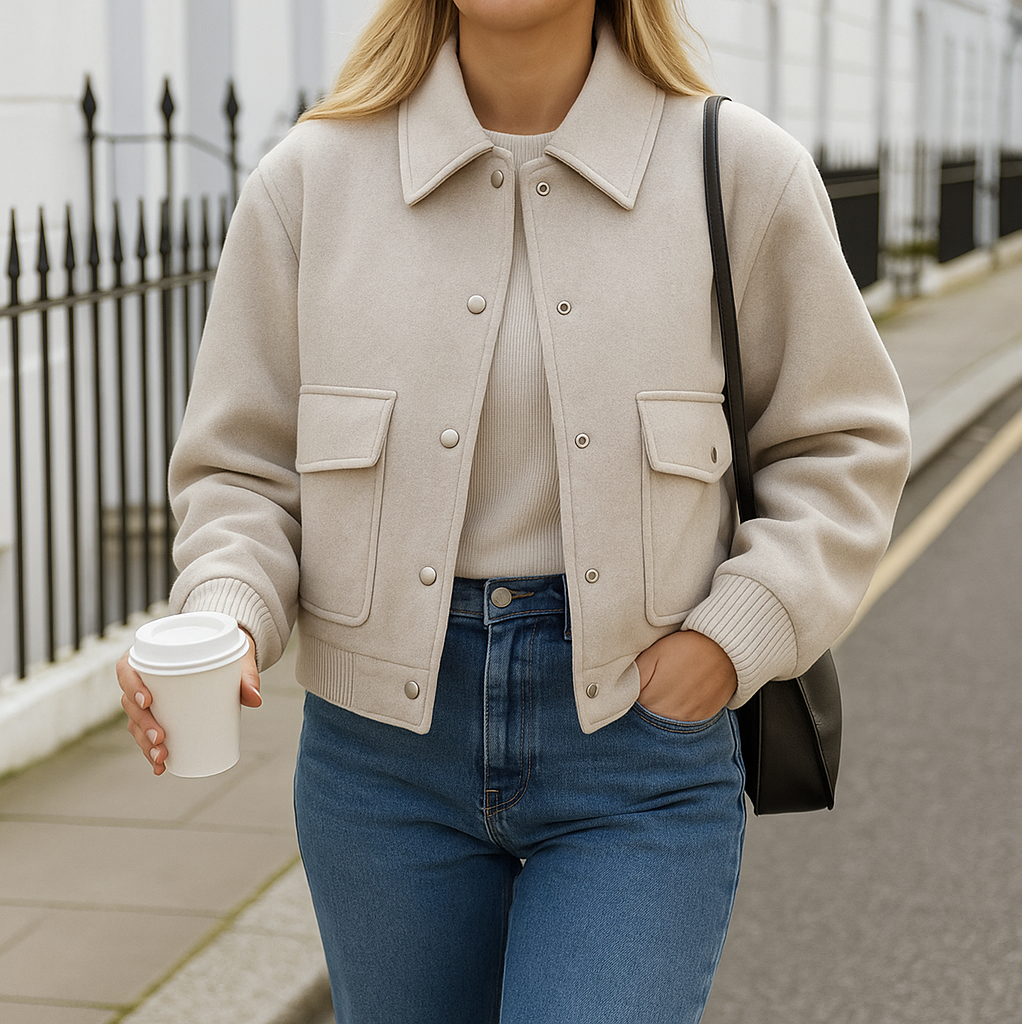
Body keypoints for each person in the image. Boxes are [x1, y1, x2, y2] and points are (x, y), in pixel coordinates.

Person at [118, 1, 911, 1021]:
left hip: (638, 751)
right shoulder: (308, 185)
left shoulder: (738, 170)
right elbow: (241, 470)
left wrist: (728, 640)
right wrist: (225, 613)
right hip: (380, 767)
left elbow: (841, 443)